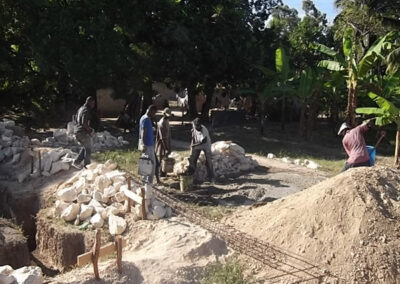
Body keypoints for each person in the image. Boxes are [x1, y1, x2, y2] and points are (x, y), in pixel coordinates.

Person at [72, 96, 96, 169]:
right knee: (88, 149)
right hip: (82, 133)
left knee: (85, 147)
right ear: (89, 102)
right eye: (93, 103)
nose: (93, 105)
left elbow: (75, 119)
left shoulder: (80, 108)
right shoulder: (86, 110)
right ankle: (87, 167)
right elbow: (84, 123)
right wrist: (90, 130)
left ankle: (76, 162)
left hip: (77, 131)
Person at [189, 118, 215, 182]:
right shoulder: (194, 127)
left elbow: (203, 141)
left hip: (206, 145)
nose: (197, 127)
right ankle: (192, 175)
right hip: (197, 144)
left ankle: (211, 177)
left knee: (209, 160)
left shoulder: (204, 130)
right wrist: (192, 145)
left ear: (200, 125)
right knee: (193, 159)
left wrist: (194, 145)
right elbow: (193, 137)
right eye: (196, 126)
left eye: (198, 126)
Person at [139, 105, 158, 183]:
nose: (154, 115)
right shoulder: (146, 119)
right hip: (147, 145)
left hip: (147, 144)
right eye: (154, 113)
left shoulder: (143, 117)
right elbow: (143, 131)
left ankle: (145, 181)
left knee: (145, 163)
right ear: (151, 111)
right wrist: (144, 144)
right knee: (151, 165)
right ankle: (148, 182)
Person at [155, 108, 172, 177]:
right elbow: (162, 138)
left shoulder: (166, 121)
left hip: (166, 142)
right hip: (162, 144)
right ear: (164, 114)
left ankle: (164, 173)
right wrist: (166, 148)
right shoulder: (162, 122)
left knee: (164, 159)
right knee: (161, 159)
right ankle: (160, 174)